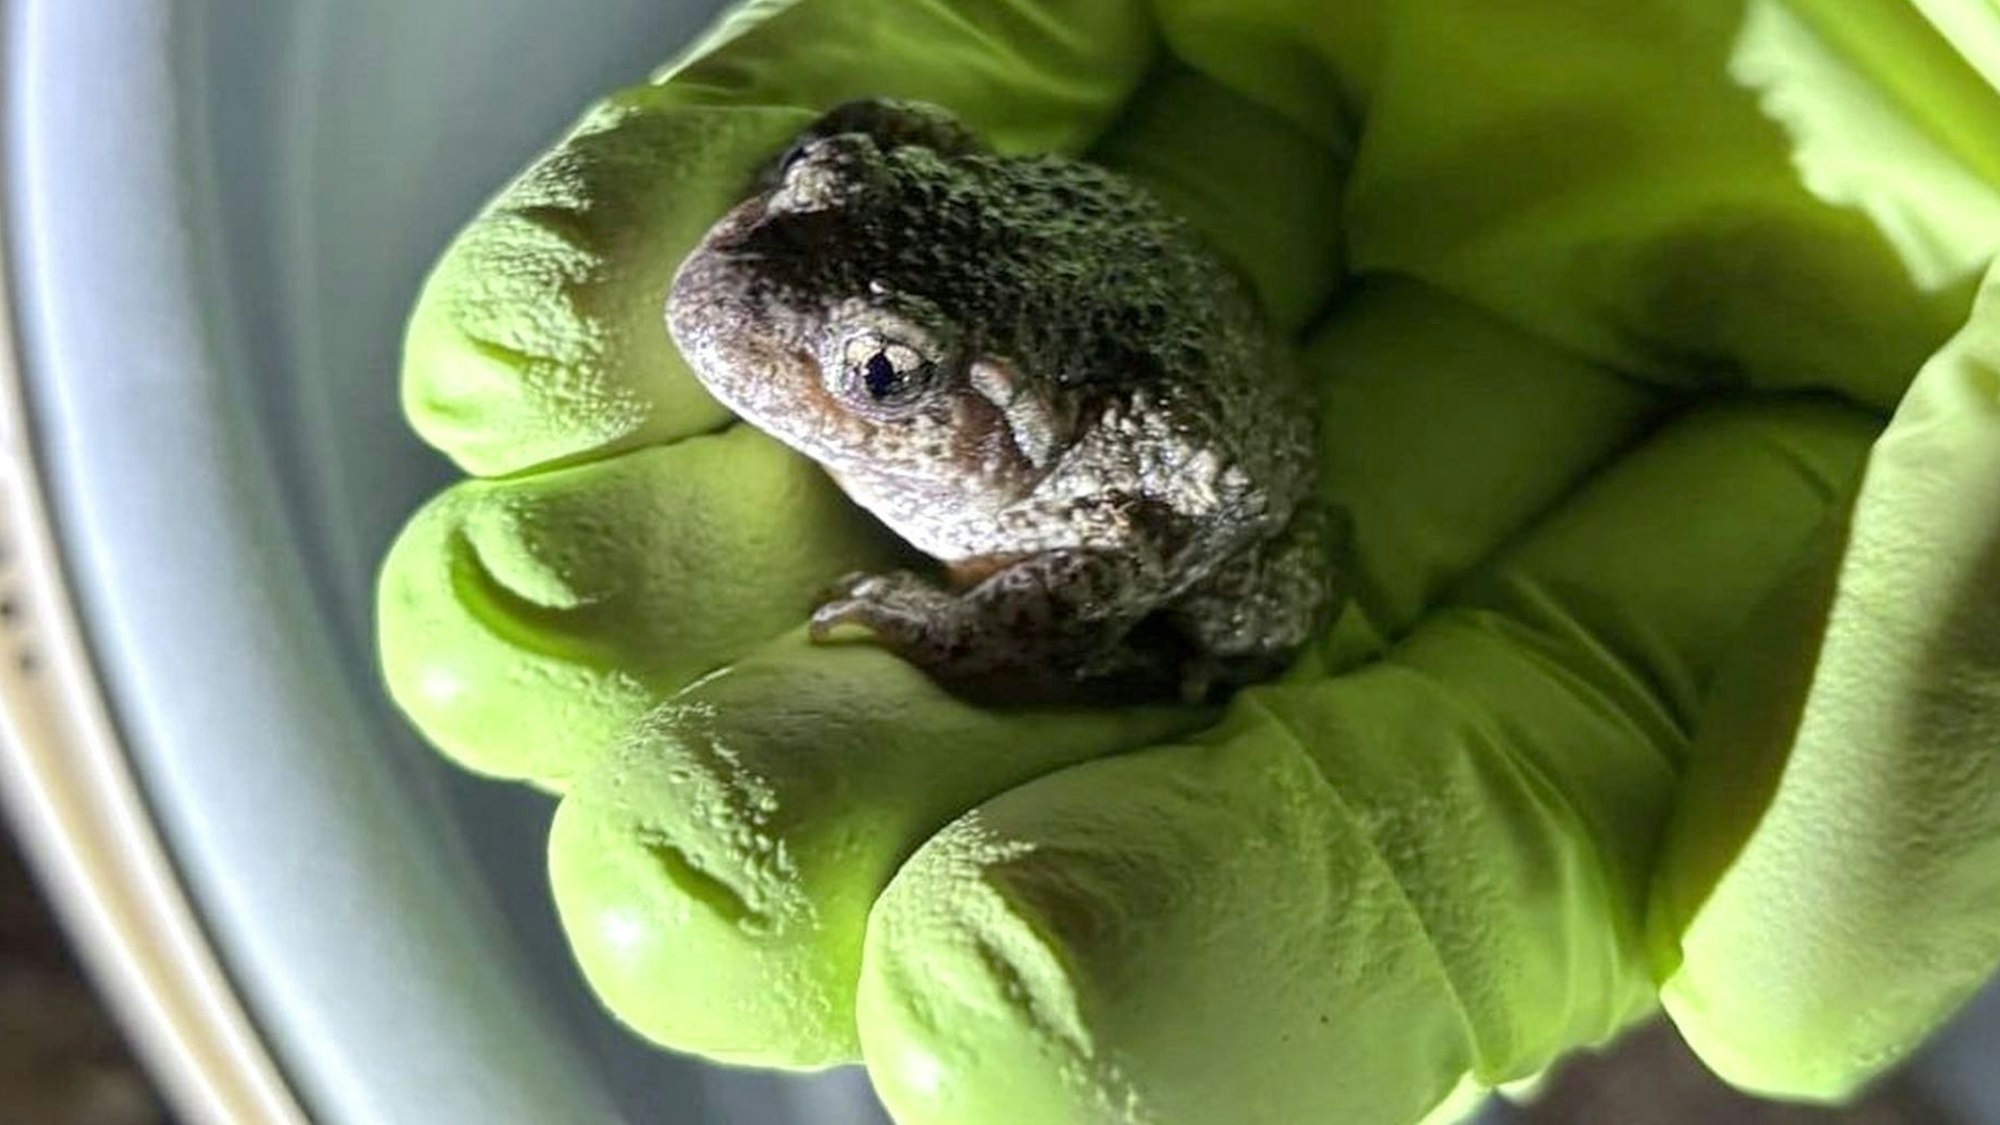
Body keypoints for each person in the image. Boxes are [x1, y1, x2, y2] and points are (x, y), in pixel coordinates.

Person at [377, 1, 2000, 1120]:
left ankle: (1154, 652)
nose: (740, 278)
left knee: (1248, 633)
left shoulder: (1095, 489)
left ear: (960, 408)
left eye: (876, 372)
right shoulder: (883, 253)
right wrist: (840, 188)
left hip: (1225, 477)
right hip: (1155, 252)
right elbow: (898, 134)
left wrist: (964, 628)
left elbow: (1123, 544)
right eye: (800, 194)